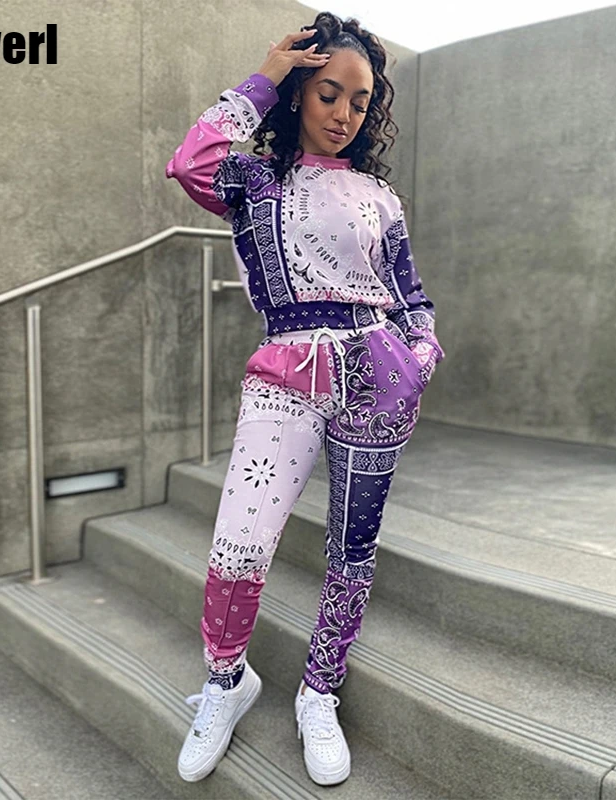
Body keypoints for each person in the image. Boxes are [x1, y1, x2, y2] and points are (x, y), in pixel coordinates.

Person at [165, 10, 445, 787]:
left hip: (380, 375)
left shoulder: (380, 197)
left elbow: (412, 296)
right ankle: (226, 682)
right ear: (298, 93)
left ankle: (319, 692)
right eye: (328, 93)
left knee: (352, 551)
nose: (344, 113)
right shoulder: (255, 180)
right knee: (239, 544)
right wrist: (265, 75)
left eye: (360, 100)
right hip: (286, 371)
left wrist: (419, 356)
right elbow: (189, 162)